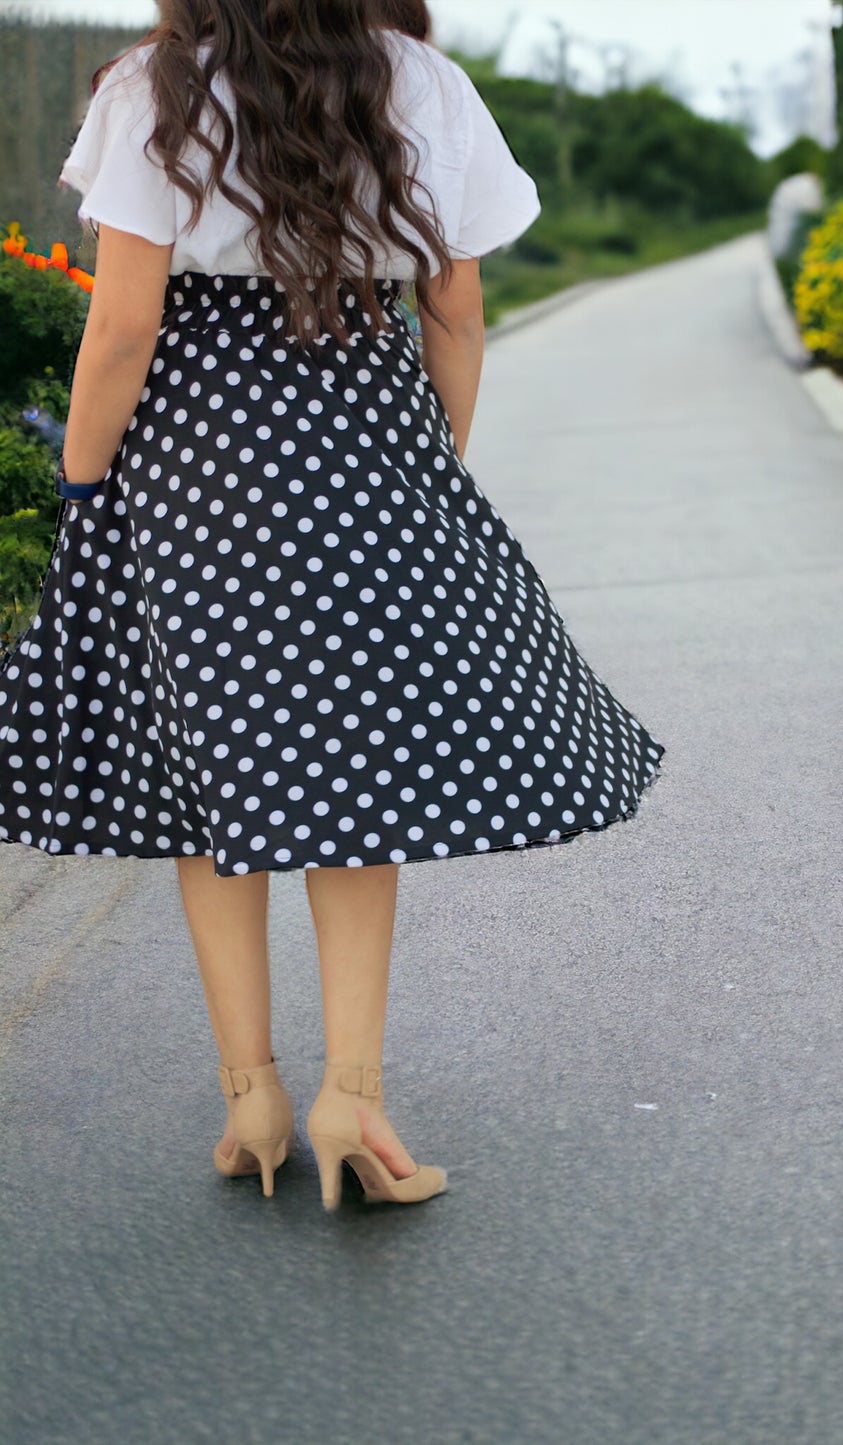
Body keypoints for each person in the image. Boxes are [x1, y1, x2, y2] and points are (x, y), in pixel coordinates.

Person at [0, 0, 664, 1211]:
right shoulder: (424, 82)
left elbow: (125, 325)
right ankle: (350, 1094)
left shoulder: (153, 88)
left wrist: (85, 486)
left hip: (194, 464)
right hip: (371, 448)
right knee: (355, 780)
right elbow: (454, 311)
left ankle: (248, 1090)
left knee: (208, 773)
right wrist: (430, 472)